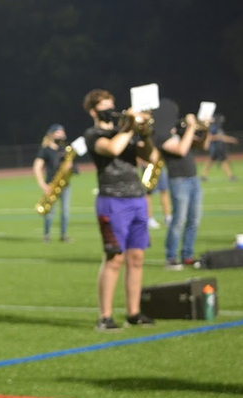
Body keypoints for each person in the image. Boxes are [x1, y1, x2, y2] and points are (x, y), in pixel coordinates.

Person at [83, 89, 157, 331]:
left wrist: (144, 133)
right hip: (112, 201)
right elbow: (113, 149)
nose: (110, 109)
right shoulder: (93, 135)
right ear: (93, 111)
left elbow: (151, 156)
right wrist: (130, 126)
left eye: (112, 104)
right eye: (105, 105)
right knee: (114, 259)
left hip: (137, 198)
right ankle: (104, 317)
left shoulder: (124, 132)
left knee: (136, 258)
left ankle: (133, 313)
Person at [154, 99, 206, 270]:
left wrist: (205, 129)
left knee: (194, 220)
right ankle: (171, 257)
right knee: (178, 220)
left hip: (193, 179)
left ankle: (187, 255)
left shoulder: (178, 131)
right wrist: (191, 127)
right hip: (179, 181)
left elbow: (203, 145)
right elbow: (181, 149)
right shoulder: (160, 136)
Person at [33, 123, 76, 243]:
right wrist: (43, 185)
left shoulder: (65, 148)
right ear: (51, 134)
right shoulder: (45, 149)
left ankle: (64, 235)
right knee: (49, 213)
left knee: (65, 212)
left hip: (65, 185)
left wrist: (70, 166)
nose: (61, 135)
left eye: (62, 132)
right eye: (58, 132)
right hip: (51, 184)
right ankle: (46, 235)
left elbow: (70, 166)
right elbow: (37, 167)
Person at [200, 114, 239, 181]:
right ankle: (230, 176)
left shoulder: (217, 128)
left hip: (219, 147)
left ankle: (204, 176)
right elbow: (211, 137)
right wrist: (229, 139)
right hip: (215, 148)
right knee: (218, 161)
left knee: (218, 161)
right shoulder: (214, 127)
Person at [145, 165, 172, 230]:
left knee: (164, 189)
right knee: (147, 192)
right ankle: (149, 219)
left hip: (159, 166)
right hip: (148, 166)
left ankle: (167, 217)